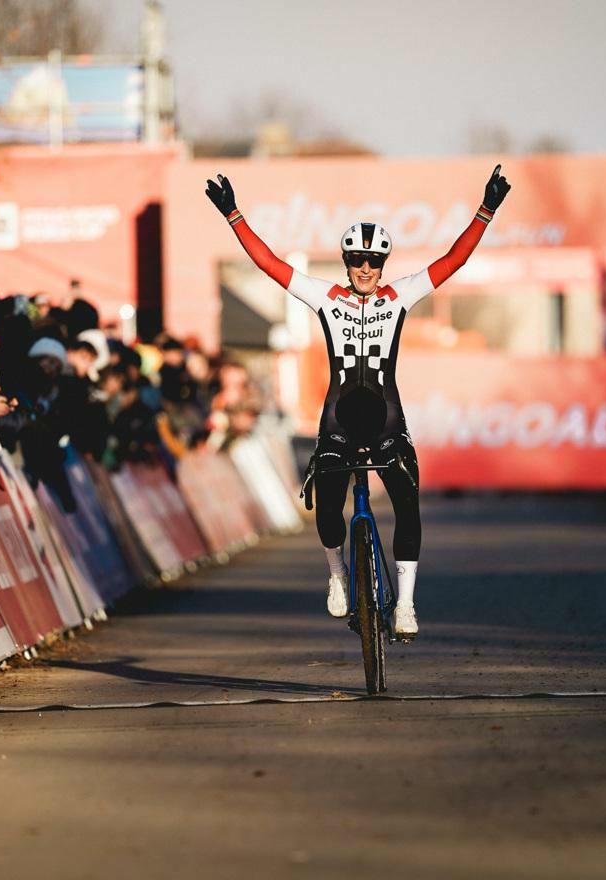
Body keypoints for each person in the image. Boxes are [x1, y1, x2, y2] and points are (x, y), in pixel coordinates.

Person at [204, 165, 512, 637]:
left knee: (408, 503)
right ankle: (338, 576)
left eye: (374, 261)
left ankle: (405, 605)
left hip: (387, 419)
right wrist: (233, 215)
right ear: (346, 262)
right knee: (328, 507)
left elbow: (454, 260)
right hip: (339, 419)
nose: (366, 268)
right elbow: (270, 265)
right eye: (357, 260)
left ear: (384, 265)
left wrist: (486, 210)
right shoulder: (326, 297)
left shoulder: (400, 295)